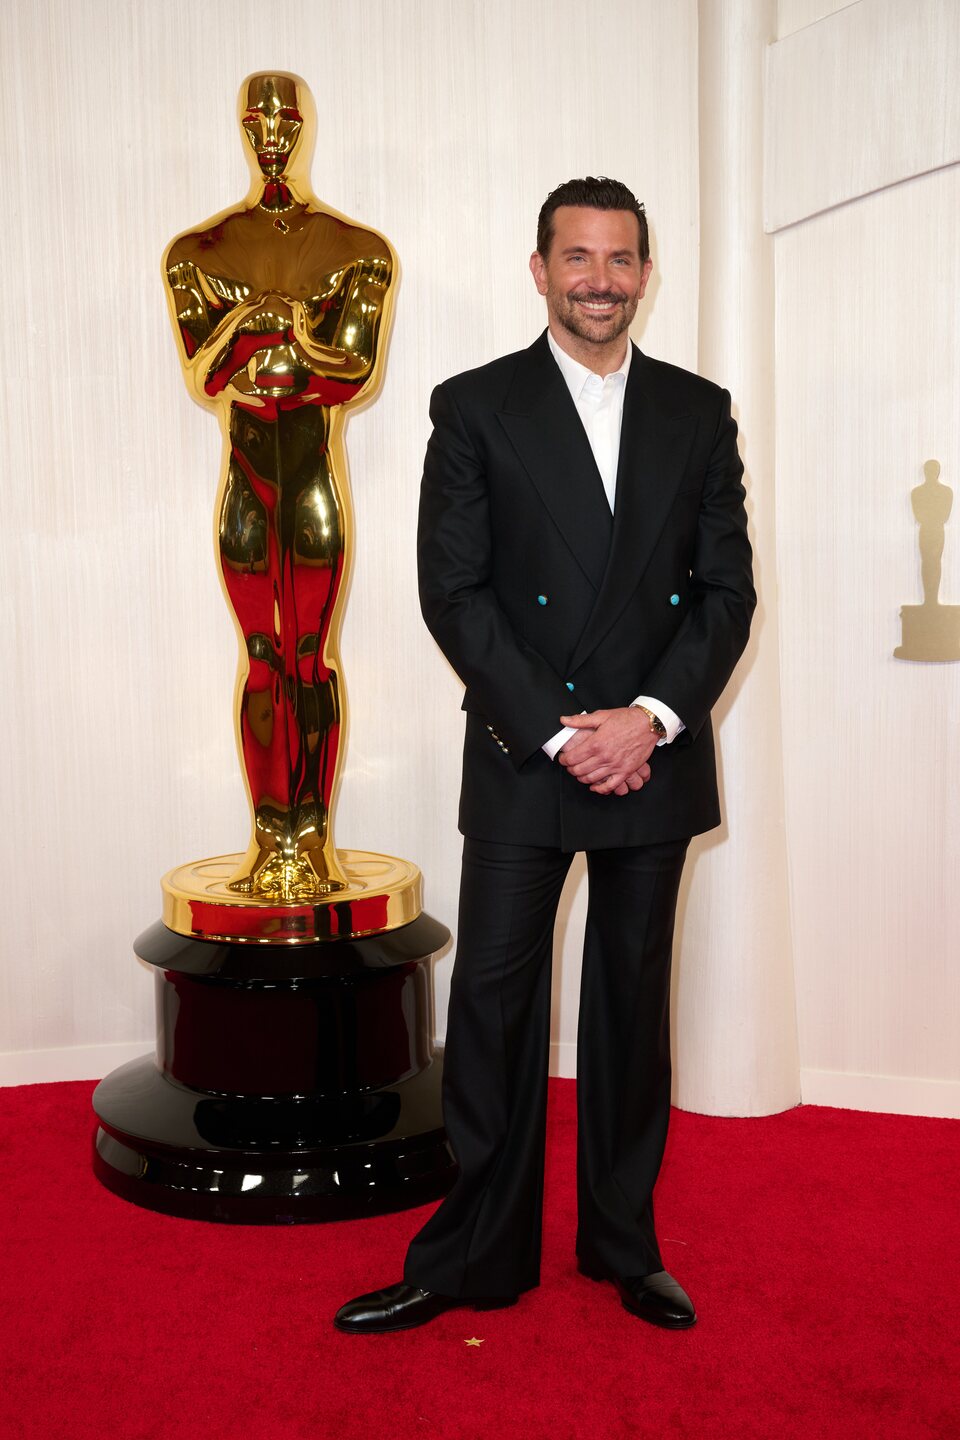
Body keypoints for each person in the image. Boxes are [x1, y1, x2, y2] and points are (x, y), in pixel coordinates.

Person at [335, 177, 755, 1333]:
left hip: (652, 754)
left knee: (630, 1005)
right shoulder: (475, 406)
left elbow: (727, 594)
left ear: (645, 275)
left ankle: (626, 1245)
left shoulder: (699, 410)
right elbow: (454, 592)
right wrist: (568, 728)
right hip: (531, 750)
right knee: (496, 1007)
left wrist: (652, 720)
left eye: (621, 260)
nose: (600, 281)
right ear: (540, 270)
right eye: (579, 258)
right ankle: (472, 1254)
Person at [163, 72, 395, 900]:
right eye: (256, 116)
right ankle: (272, 843)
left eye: (285, 115)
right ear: (238, 126)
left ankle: (315, 841)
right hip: (248, 478)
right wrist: (254, 330)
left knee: (311, 656)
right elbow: (206, 374)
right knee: (262, 655)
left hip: (312, 483)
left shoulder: (355, 248)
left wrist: (284, 330)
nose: (271, 129)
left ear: (307, 126)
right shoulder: (199, 252)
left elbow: (351, 374)